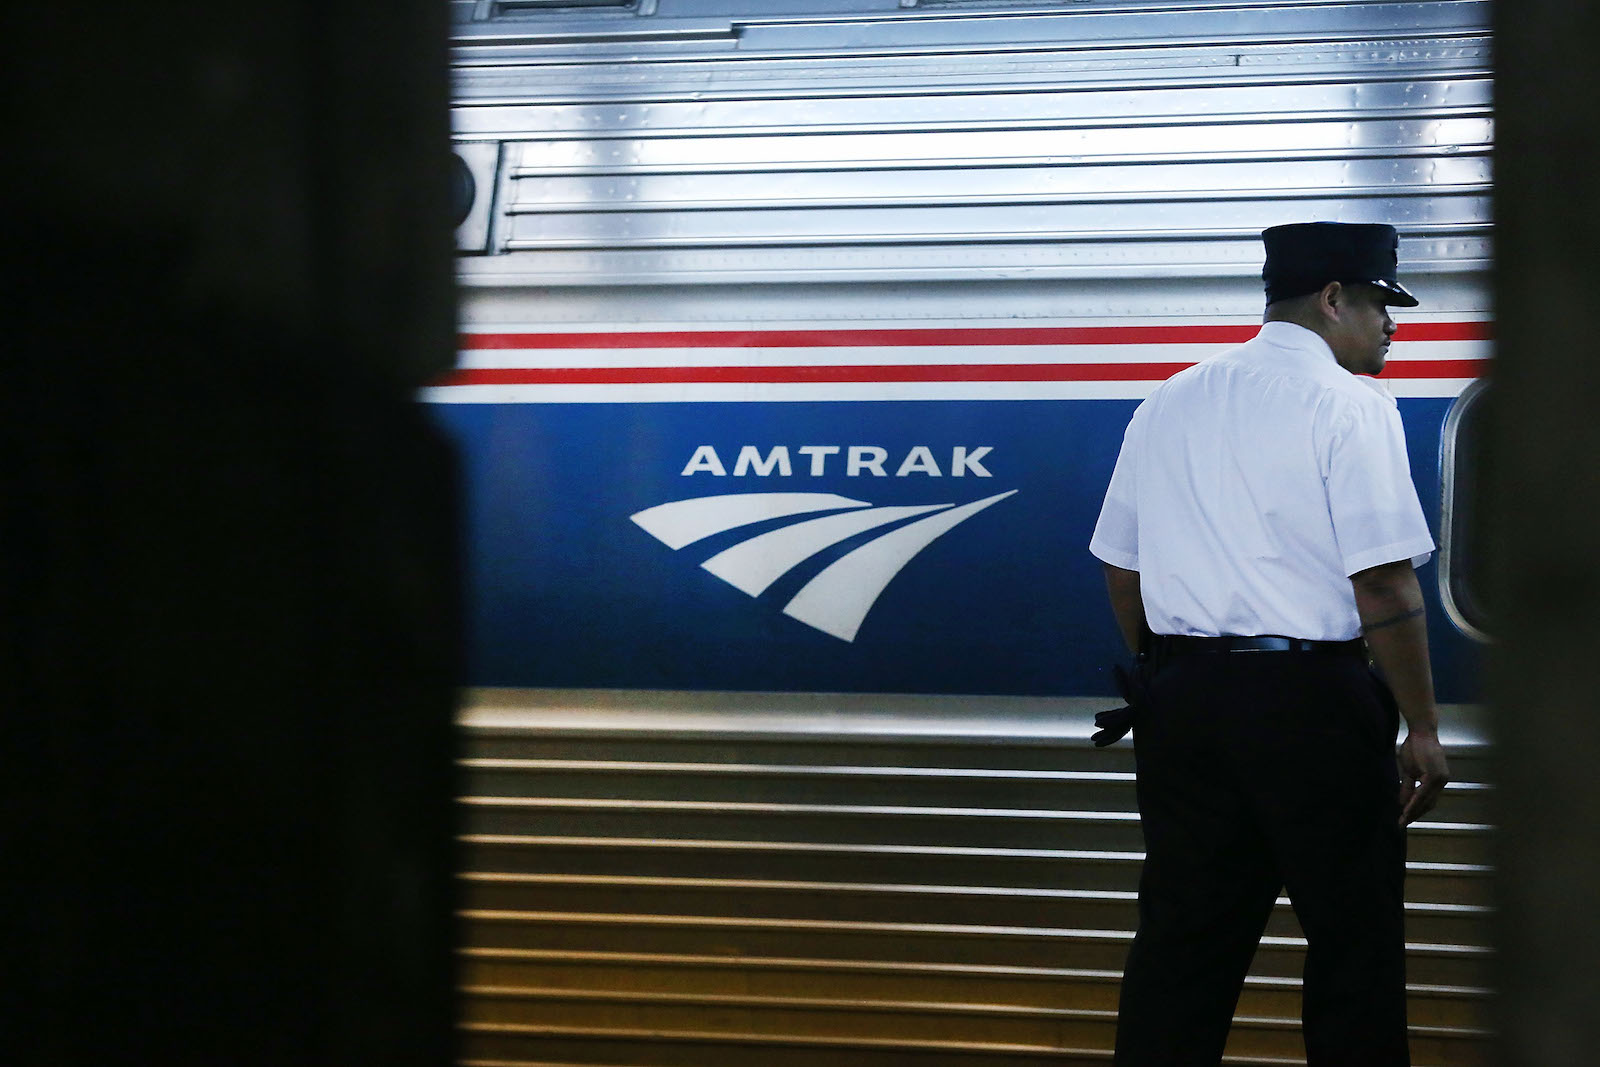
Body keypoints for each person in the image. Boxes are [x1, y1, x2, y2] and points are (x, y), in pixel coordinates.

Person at [1088, 221, 1452, 1065]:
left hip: (1181, 706)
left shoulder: (1169, 398)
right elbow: (1385, 584)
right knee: (1353, 948)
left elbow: (1118, 564)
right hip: (1311, 705)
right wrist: (1422, 727)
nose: (1390, 324)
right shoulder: (1349, 403)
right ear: (1332, 300)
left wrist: (1167, 669)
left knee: (1182, 949)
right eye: (1377, 304)